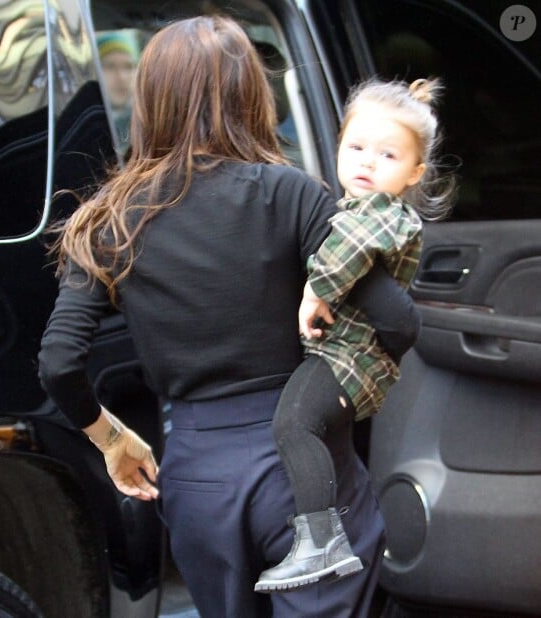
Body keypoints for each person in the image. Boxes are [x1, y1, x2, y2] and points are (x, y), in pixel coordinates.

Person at [38, 16, 420, 618]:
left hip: (194, 477)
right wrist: (348, 392)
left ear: (150, 102)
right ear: (250, 94)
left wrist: (111, 439)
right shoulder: (293, 194)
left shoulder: (109, 216)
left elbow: (59, 364)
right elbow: (397, 321)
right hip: (306, 471)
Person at [255, 77, 455, 593]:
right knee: (302, 426)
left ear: (415, 172)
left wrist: (315, 292)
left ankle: (321, 542)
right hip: (342, 355)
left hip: (351, 356)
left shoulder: (382, 215)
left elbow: (350, 248)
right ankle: (325, 537)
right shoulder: (348, 207)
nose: (367, 162)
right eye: (356, 147)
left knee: (294, 426)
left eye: (387, 155)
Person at [97, 30, 139, 154]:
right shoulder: (84, 125)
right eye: (110, 66)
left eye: (128, 66)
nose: (121, 77)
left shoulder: (146, 127)